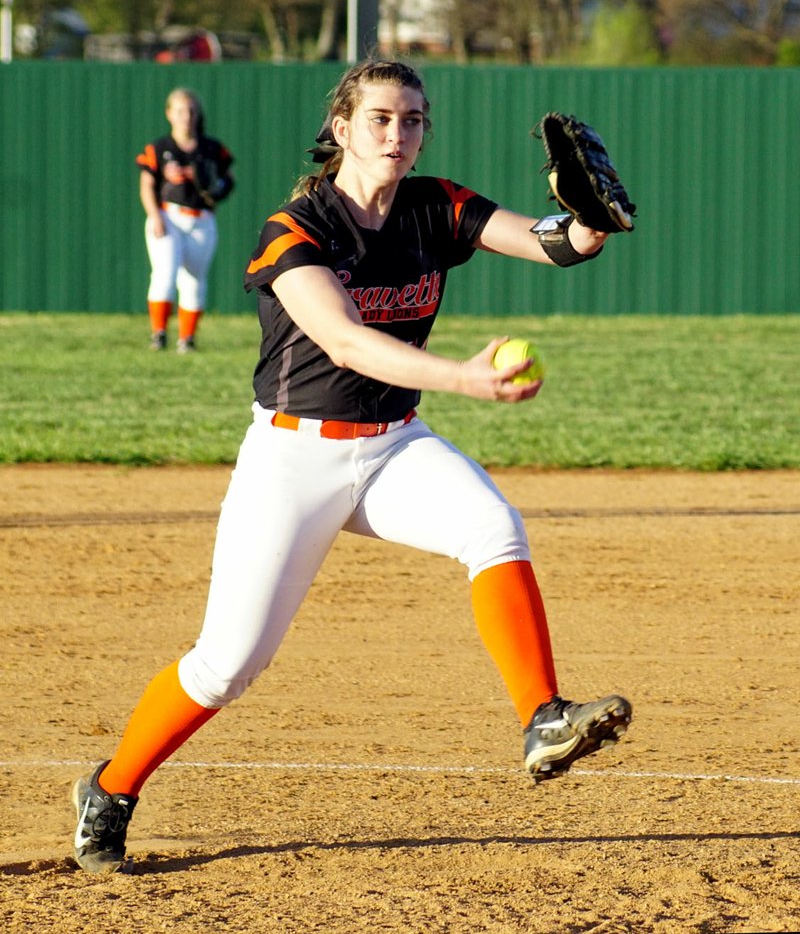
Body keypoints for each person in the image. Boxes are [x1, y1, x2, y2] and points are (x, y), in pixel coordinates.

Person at [73, 59, 632, 874]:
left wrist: (589, 223)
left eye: (413, 119)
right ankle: (112, 788)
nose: (398, 135)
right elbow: (343, 340)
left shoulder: (436, 205)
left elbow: (549, 244)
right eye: (380, 118)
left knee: (492, 526)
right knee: (226, 666)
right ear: (341, 128)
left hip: (391, 443)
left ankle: (543, 715)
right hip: (293, 457)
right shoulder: (296, 229)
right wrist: (464, 378)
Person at [135, 87, 235, 353]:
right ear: (169, 114)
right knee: (165, 274)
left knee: (194, 278)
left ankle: (187, 339)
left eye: (191, 110)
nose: (186, 116)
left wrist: (207, 182)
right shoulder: (160, 148)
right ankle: (159, 334)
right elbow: (146, 184)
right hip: (169, 216)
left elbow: (227, 182)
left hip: (201, 218)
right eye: (180, 110)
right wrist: (154, 215)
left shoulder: (211, 148)